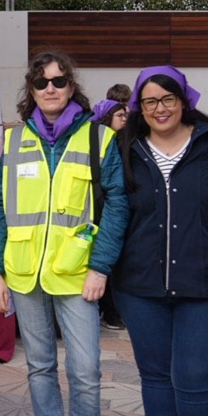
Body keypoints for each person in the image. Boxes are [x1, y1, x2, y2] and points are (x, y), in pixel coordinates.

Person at [0, 51, 128, 416]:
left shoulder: (96, 139)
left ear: (72, 88)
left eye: (60, 82)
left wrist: (101, 266)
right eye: (42, 82)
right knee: (40, 369)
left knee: (85, 370)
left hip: (77, 275)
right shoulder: (11, 141)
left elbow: (118, 205)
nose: (51, 89)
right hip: (25, 273)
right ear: (31, 90)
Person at [112, 66, 208, 416]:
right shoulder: (125, 147)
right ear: (138, 108)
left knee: (197, 375)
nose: (159, 108)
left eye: (167, 99)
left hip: (204, 284)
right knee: (156, 376)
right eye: (149, 101)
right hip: (140, 285)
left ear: (184, 100)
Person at [90, 97, 130, 331]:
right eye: (120, 116)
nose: (126, 119)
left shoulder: (124, 141)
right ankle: (109, 311)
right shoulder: (99, 142)